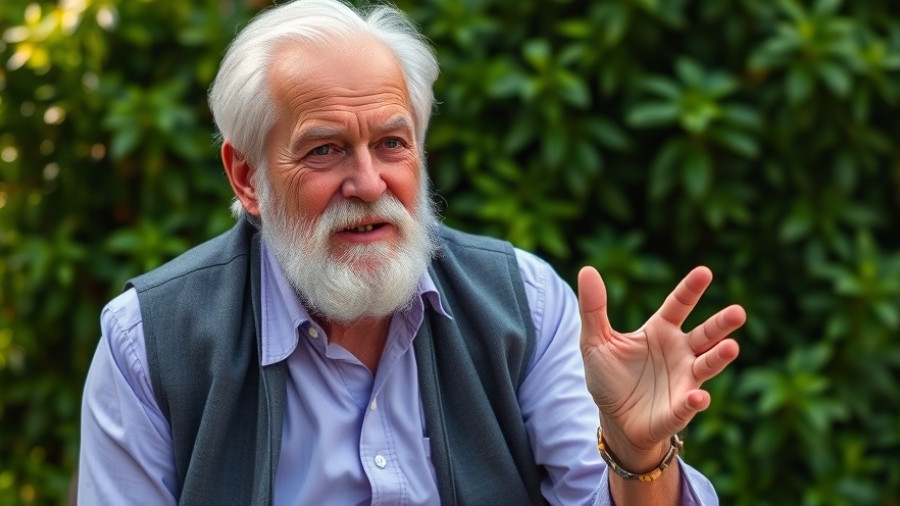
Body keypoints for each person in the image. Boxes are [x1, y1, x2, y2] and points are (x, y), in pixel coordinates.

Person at [77, 0, 746, 504]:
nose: (369, 183)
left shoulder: (524, 302)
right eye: (325, 149)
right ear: (247, 176)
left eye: (392, 144)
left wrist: (638, 452)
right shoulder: (147, 345)